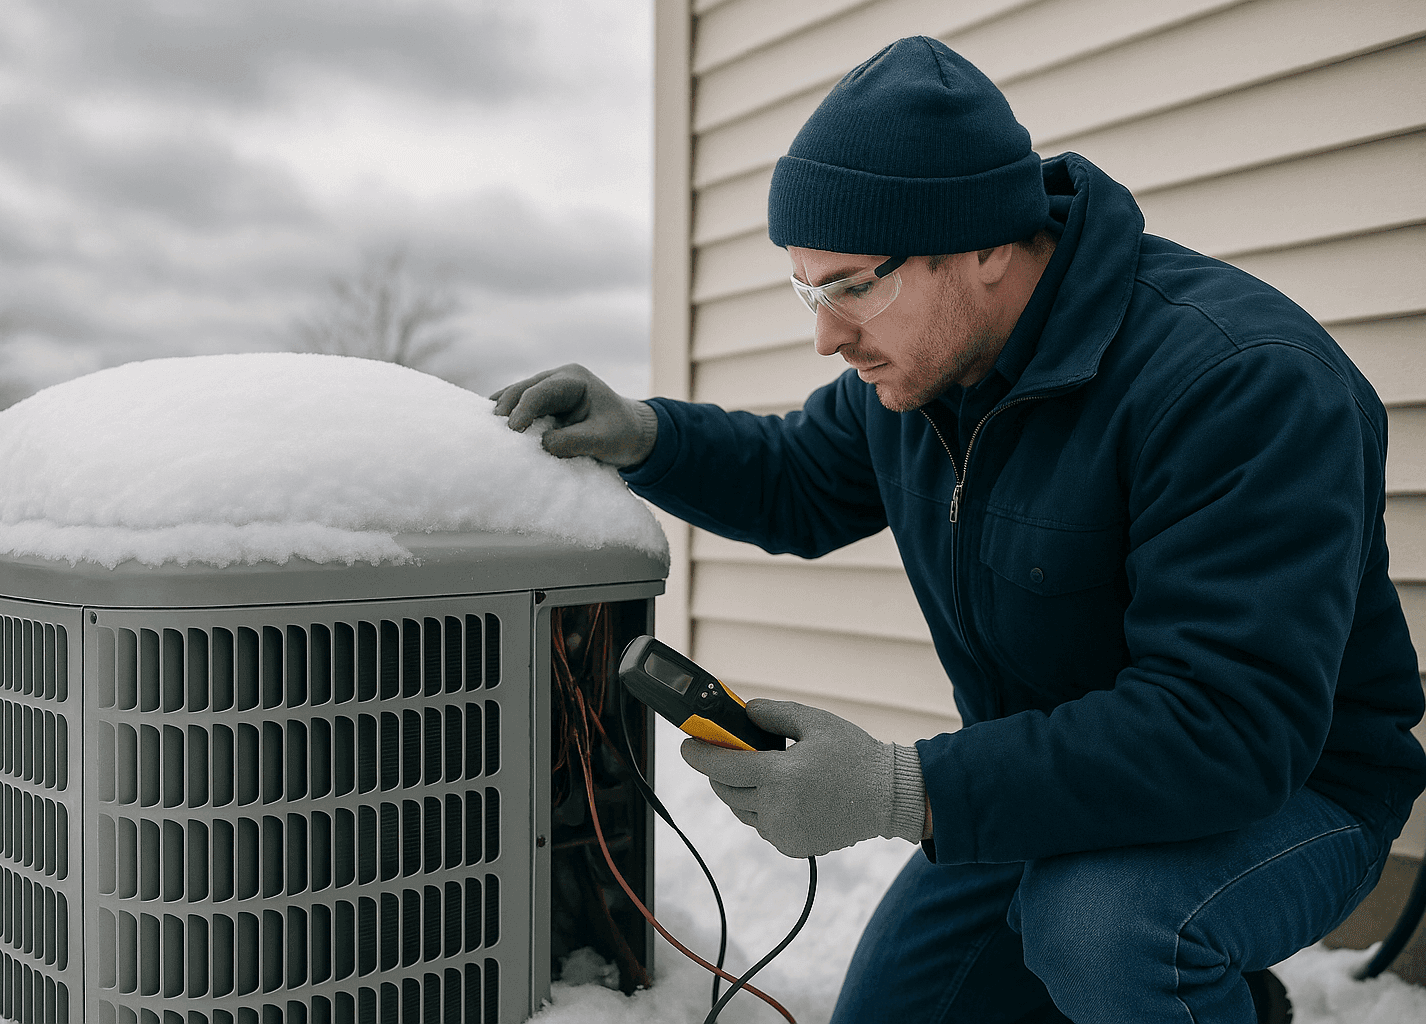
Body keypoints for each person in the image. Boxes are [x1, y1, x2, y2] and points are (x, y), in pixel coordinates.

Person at [491, 36, 1426, 1023]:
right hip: (1046, 773)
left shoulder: (1240, 385)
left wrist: (902, 787)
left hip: (1288, 789)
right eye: (809, 289)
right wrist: (642, 433)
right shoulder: (925, 377)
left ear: (982, 245)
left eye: (851, 286)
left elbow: (1228, 729)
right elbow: (796, 477)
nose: (826, 334)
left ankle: (1189, 975)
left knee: (1101, 927)